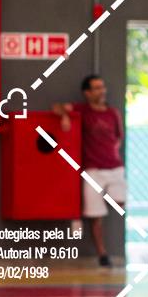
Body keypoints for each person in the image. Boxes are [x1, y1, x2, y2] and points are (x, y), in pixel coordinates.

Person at [53, 74, 125, 267]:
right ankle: (102, 254)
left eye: (103, 87)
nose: (102, 91)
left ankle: (89, 207)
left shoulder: (113, 113)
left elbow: (119, 137)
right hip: (92, 170)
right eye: (96, 88)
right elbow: (57, 107)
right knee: (95, 216)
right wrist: (65, 116)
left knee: (120, 203)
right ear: (87, 93)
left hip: (114, 167)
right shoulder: (82, 110)